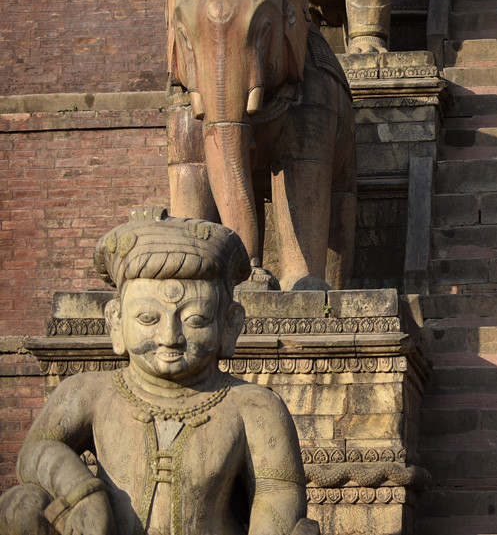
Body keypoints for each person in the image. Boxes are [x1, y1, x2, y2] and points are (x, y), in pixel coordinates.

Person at [0, 209, 318, 535]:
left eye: (196, 320)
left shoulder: (253, 405)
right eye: (148, 319)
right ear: (116, 322)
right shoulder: (89, 392)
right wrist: (81, 491)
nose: (170, 337)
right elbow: (36, 450)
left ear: (230, 323)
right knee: (21, 505)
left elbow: (277, 492)